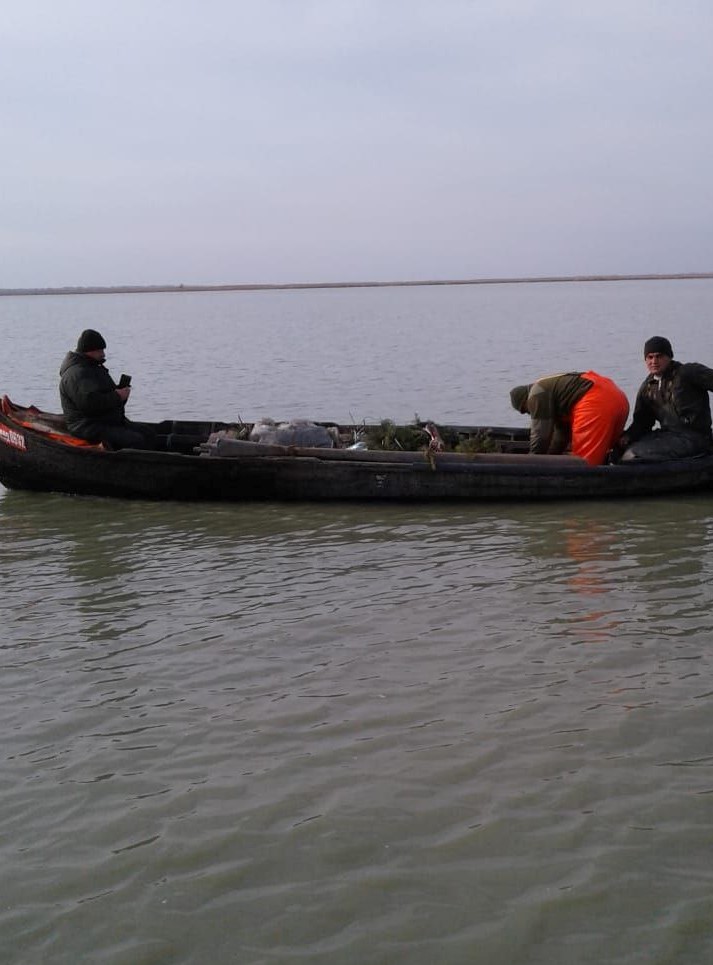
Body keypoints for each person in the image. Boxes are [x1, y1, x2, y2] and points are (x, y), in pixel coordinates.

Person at [618, 336, 713, 462]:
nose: (654, 361)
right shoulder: (647, 388)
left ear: (669, 357)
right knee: (623, 451)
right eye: (650, 357)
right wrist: (626, 438)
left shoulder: (688, 373)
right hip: (668, 435)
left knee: (635, 453)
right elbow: (642, 423)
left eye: (659, 356)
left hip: (696, 438)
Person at [59, 329, 154, 450]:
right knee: (136, 440)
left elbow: (103, 396)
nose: (103, 354)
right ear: (90, 350)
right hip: (87, 426)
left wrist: (120, 394)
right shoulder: (77, 374)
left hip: (104, 421)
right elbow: (89, 404)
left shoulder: (92, 367)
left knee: (148, 433)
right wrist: (118, 396)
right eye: (100, 350)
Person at [509, 370, 629, 466]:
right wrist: (550, 456)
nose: (529, 413)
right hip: (618, 398)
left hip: (595, 401)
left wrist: (532, 461)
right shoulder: (556, 393)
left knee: (583, 465)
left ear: (526, 400)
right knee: (607, 452)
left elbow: (541, 434)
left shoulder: (536, 393)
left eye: (525, 410)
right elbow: (562, 435)